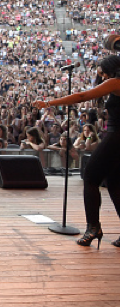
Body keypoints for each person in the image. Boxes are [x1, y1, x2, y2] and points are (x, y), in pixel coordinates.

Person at [34, 54, 120, 248]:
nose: (103, 77)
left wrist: (49, 103)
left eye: (103, 73)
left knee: (90, 177)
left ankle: (93, 228)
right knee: (114, 183)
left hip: (116, 136)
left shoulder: (116, 82)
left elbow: (82, 96)